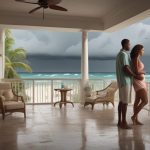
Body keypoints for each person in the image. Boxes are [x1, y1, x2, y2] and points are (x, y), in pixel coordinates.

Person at [116, 39, 139, 129]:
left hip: (121, 81)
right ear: (125, 44)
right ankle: (124, 123)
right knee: (125, 103)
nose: (130, 46)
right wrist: (135, 75)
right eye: (129, 44)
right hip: (125, 81)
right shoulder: (124, 54)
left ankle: (119, 121)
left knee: (121, 102)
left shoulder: (119, 54)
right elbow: (126, 68)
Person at [130, 44, 148, 125]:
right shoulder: (135, 58)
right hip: (138, 82)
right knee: (145, 101)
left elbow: (135, 71)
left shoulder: (136, 58)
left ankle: (136, 120)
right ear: (138, 50)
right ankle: (134, 116)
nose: (143, 51)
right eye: (142, 50)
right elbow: (136, 72)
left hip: (139, 81)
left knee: (137, 101)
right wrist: (144, 72)